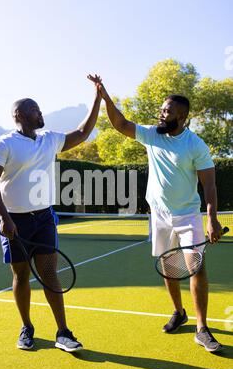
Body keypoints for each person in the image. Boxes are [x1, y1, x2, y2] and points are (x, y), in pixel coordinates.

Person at [88, 74, 223, 353]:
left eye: (168, 111)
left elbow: (209, 185)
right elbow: (121, 124)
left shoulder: (195, 145)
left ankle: (202, 328)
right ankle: (179, 312)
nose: (162, 114)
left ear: (182, 117)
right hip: (159, 216)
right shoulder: (151, 134)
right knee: (169, 267)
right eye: (161, 110)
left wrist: (211, 219)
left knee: (196, 266)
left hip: (187, 216)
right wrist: (105, 96)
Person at [0, 76, 102, 352]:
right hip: (15, 221)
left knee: (50, 274)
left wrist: (97, 98)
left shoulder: (49, 140)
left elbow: (83, 133)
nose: (40, 113)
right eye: (35, 109)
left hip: (45, 218)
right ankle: (27, 327)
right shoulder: (4, 144)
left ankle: (63, 332)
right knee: (21, 276)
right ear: (19, 115)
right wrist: (4, 217)